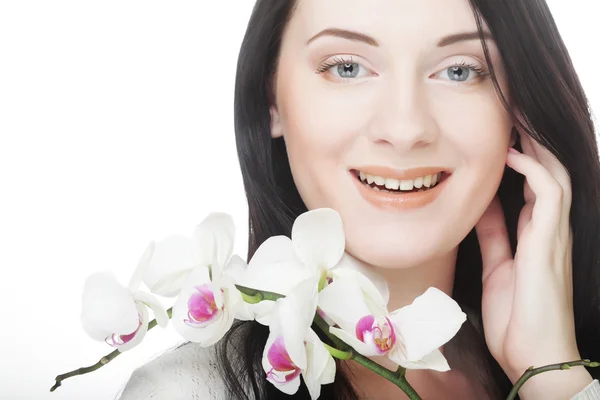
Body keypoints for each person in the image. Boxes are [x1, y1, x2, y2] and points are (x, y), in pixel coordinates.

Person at [119, 0, 600, 398]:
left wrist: (553, 375)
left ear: (519, 112)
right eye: (347, 68)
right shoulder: (188, 392)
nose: (405, 128)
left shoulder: (552, 361)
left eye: (459, 71)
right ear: (271, 98)